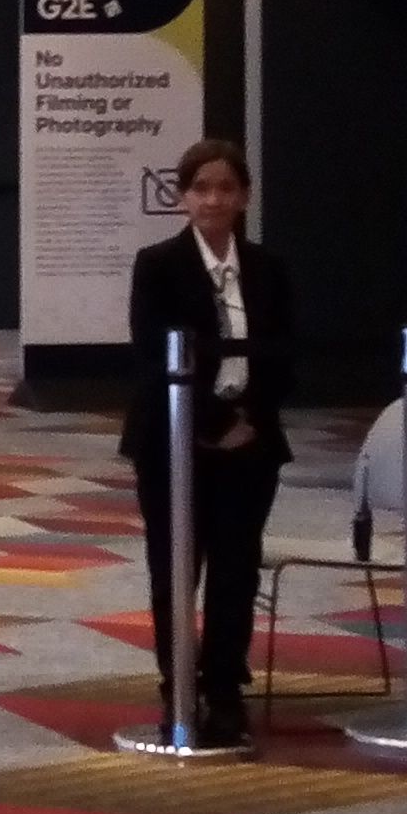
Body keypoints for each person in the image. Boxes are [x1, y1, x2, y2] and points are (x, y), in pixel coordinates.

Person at [121, 137, 293, 751]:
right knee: (175, 567)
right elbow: (153, 354)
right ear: (183, 197)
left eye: (226, 188)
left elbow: (283, 353)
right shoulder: (157, 265)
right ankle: (178, 685)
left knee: (235, 570)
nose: (214, 199)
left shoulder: (268, 268)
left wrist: (247, 419)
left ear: (243, 197)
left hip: (251, 443)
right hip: (173, 441)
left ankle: (224, 688)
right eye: (201, 188)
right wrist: (212, 423)